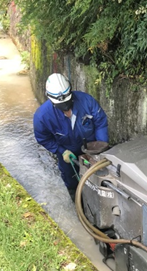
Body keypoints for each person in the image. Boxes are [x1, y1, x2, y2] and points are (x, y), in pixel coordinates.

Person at [33, 73, 109, 201]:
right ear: (50, 99)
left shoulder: (87, 101)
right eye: (61, 104)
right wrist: (60, 151)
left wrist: (101, 146)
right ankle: (77, 201)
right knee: (71, 178)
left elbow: (100, 122)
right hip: (67, 151)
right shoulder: (42, 117)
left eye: (67, 102)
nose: (66, 107)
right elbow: (43, 138)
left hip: (92, 147)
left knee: (98, 177)